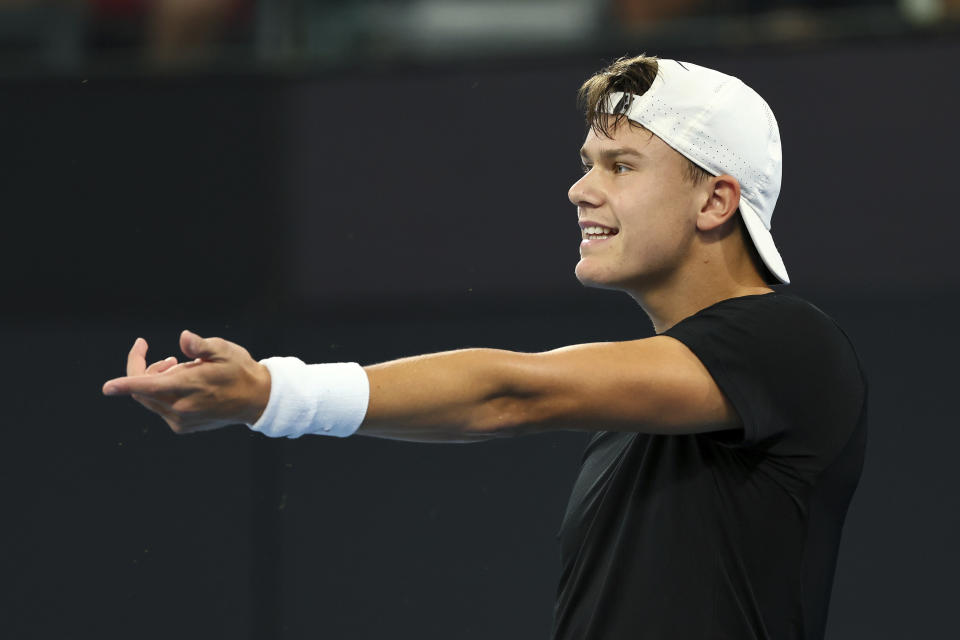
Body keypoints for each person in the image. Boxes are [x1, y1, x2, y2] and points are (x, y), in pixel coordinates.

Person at [102, 55, 868, 639]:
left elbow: (511, 392)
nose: (580, 189)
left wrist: (274, 394)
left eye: (620, 165)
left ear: (715, 201)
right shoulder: (635, 434)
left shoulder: (790, 343)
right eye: (586, 164)